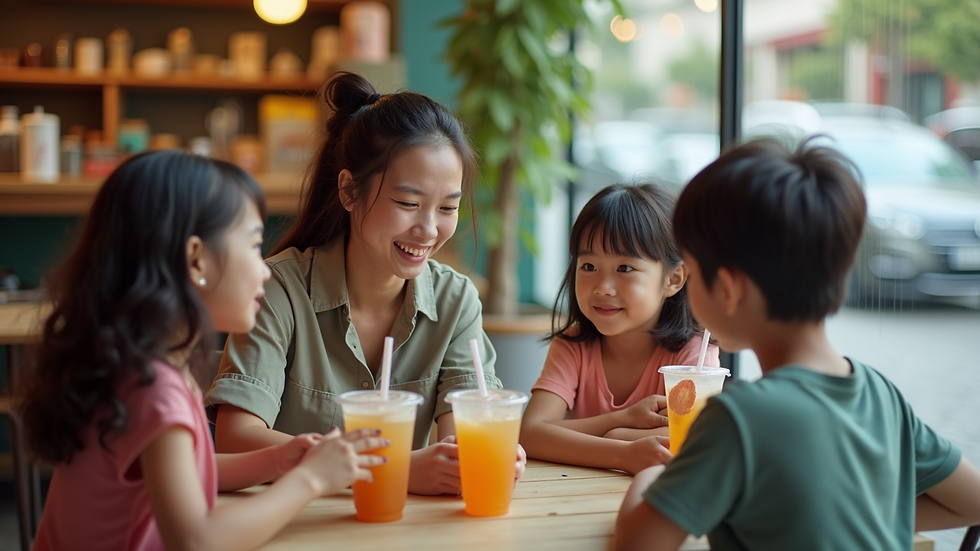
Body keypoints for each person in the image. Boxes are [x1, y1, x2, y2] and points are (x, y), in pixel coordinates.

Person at [614, 138, 980, 551]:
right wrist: (864, 512)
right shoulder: (882, 395)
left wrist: (652, 478)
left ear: (730, 290)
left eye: (695, 272)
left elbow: (636, 544)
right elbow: (973, 500)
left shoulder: (737, 419)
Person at [18, 151, 388, 550]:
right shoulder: (153, 389)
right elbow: (197, 540)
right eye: (252, 245)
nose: (264, 268)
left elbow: (183, 474)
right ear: (196, 259)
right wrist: (310, 480)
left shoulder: (143, 367)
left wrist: (278, 461)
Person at [206, 71, 522, 497]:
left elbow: (458, 439)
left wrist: (477, 458)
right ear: (349, 191)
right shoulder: (279, 290)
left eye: (448, 207)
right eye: (408, 203)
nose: (428, 229)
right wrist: (394, 469)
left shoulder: (456, 301)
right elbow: (236, 436)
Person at [520, 183, 719, 474]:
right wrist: (620, 435)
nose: (603, 287)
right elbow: (531, 434)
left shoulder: (694, 358)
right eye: (588, 266)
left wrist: (612, 436)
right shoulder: (572, 345)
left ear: (673, 280)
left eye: (625, 268)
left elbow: (695, 444)